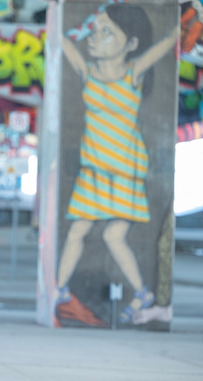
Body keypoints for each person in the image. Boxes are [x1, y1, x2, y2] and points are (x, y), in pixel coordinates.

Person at [57, 4, 178, 326]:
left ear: (132, 44)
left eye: (106, 32)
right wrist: (77, 22)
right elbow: (60, 39)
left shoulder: (134, 71)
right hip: (94, 170)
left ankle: (141, 294)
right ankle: (58, 291)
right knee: (78, 231)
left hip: (125, 169)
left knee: (112, 236)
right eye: (95, 31)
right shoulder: (86, 71)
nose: (96, 38)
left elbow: (169, 40)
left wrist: (193, 14)